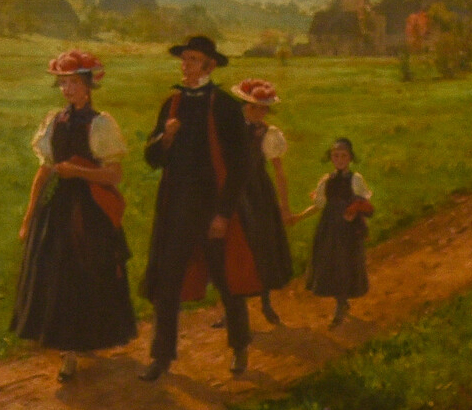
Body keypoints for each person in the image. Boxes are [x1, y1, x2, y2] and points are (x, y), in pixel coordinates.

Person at [137, 35, 288, 382]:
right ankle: (161, 357)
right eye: (184, 59)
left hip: (214, 209)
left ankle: (239, 347)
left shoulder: (223, 106)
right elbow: (152, 158)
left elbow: (240, 167)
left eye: (192, 60)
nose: (185, 65)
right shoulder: (172, 104)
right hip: (176, 209)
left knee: (227, 280)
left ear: (210, 66)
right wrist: (167, 138)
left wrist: (223, 213)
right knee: (167, 283)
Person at [13, 50, 137, 384]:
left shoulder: (101, 124)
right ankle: (67, 351)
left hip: (91, 209)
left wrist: (80, 172)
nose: (67, 90)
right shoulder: (55, 122)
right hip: (58, 208)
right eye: (63, 83)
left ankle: (84, 341)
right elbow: (44, 172)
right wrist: (28, 218)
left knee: (88, 272)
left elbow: (113, 175)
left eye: (73, 83)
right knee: (56, 274)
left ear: (88, 86)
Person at [225, 78, 295, 328]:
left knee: (261, 245)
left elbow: (279, 172)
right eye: (254, 107)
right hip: (231, 193)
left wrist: (285, 206)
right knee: (232, 248)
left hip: (257, 194)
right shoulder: (229, 131)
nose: (259, 113)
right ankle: (232, 309)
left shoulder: (269, 134)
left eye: (263, 108)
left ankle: (266, 302)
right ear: (244, 106)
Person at [298, 137, 374, 327]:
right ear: (331, 158)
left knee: (345, 263)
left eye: (343, 156)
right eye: (335, 156)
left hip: (348, 229)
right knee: (330, 262)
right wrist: (297, 217)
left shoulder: (355, 179)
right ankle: (340, 302)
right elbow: (319, 205)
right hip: (330, 227)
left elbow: (365, 204)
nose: (339, 159)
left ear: (350, 158)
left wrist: (354, 210)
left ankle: (341, 305)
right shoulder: (326, 181)